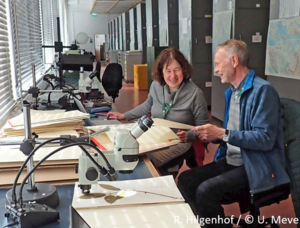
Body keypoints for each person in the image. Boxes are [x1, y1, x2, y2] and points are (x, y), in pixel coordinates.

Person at [177, 39, 290, 228]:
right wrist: (204, 134)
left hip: (256, 165)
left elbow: (265, 139)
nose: (215, 70)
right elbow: (229, 134)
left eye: (218, 64)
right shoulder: (232, 92)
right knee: (186, 180)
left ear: (234, 61)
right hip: (233, 160)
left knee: (206, 191)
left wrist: (222, 134)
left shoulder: (263, 91)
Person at [106, 47, 209, 176]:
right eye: (168, 71)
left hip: (178, 141)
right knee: (127, 149)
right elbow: (147, 106)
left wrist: (189, 135)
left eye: (177, 70)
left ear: (184, 69)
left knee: (143, 160)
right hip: (155, 135)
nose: (173, 76)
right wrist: (124, 115)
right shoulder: (156, 85)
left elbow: (203, 128)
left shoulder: (195, 94)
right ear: (161, 71)